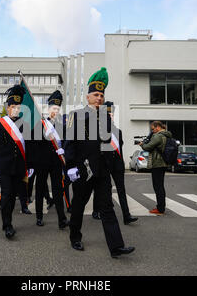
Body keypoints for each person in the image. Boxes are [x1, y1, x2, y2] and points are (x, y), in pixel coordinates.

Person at [64, 67, 135, 258]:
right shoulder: (76, 115)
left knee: (107, 208)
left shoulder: (105, 118)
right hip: (83, 170)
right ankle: (75, 237)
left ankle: (116, 246)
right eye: (95, 95)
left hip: (102, 170)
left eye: (101, 95)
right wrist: (70, 167)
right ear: (87, 97)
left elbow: (109, 144)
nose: (99, 98)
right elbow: (69, 143)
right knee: (78, 206)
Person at [0, 84, 34, 238]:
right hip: (4, 166)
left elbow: (29, 147)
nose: (15, 109)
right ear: (7, 107)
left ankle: (8, 218)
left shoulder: (24, 124)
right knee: (6, 194)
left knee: (13, 196)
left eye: (18, 107)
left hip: (19, 167)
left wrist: (30, 165)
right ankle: (7, 224)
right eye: (13, 106)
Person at [93, 101, 138, 225]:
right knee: (101, 189)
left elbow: (120, 147)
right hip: (104, 164)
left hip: (117, 165)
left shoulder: (118, 131)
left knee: (121, 190)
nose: (110, 115)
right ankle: (96, 210)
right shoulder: (98, 131)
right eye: (108, 113)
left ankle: (126, 215)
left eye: (111, 113)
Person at [32, 90, 69, 229]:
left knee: (58, 190)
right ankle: (39, 217)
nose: (56, 111)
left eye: (58, 109)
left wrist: (63, 149)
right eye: (54, 108)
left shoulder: (62, 127)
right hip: (42, 162)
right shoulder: (41, 124)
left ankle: (62, 219)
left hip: (56, 162)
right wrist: (44, 135)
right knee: (40, 189)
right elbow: (34, 144)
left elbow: (66, 143)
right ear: (49, 109)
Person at [140, 121, 172, 215]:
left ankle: (160, 209)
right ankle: (161, 207)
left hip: (158, 163)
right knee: (160, 186)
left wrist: (142, 144)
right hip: (163, 163)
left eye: (153, 129)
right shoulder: (166, 135)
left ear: (157, 127)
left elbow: (148, 147)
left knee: (158, 187)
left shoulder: (158, 136)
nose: (152, 131)